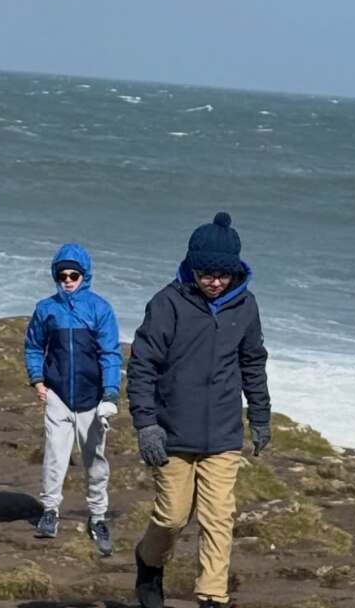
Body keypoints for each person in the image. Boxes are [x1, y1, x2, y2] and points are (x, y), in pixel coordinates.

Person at [127, 212, 271, 608]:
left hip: (223, 435)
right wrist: (146, 425)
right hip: (172, 433)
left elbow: (253, 363)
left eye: (222, 274)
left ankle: (212, 596)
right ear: (192, 267)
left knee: (218, 518)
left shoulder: (246, 306)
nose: (214, 281)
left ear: (235, 271)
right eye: (206, 273)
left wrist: (259, 416)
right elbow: (142, 366)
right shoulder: (167, 303)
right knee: (172, 517)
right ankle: (148, 561)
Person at [23, 243, 122, 556]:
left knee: (95, 461)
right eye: (62, 275)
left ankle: (98, 517)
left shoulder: (100, 309)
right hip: (58, 397)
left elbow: (110, 354)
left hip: (92, 399)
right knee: (55, 456)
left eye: (73, 274)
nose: (68, 280)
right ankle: (50, 512)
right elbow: (34, 347)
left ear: (84, 275)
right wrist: (38, 380)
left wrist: (110, 393)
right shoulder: (45, 309)